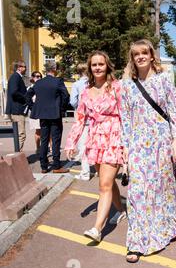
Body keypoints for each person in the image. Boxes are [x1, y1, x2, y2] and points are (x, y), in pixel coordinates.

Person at [121, 39, 176, 263]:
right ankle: (137, 241)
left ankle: (166, 227)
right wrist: (125, 150)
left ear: (152, 56)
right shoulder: (127, 86)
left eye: (144, 52)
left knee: (162, 189)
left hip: (162, 143)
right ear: (132, 59)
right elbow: (125, 120)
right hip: (138, 145)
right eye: (136, 54)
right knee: (137, 191)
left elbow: (173, 112)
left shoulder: (163, 81)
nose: (140, 56)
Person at [65, 51, 126, 242]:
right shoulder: (85, 92)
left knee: (104, 184)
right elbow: (80, 120)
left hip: (114, 136)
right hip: (95, 139)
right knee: (106, 181)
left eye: (101, 64)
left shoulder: (117, 88)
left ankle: (97, 229)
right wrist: (71, 142)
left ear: (107, 66)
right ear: (90, 68)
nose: (98, 67)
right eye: (94, 65)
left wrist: (127, 144)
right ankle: (122, 210)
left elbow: (127, 116)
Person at [26, 61, 70, 173]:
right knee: (55, 139)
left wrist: (33, 107)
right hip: (55, 114)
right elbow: (66, 95)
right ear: (55, 69)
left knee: (44, 139)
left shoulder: (39, 82)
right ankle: (56, 165)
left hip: (43, 114)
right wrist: (62, 109)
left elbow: (28, 95)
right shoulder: (58, 81)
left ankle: (44, 166)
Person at [69, 63, 90, 181]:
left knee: (83, 145)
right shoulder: (93, 83)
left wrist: (78, 107)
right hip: (95, 117)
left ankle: (85, 172)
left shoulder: (76, 84)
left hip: (82, 118)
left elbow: (73, 101)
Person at [5, 60, 27, 151]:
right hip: (16, 109)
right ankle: (18, 155)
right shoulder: (15, 77)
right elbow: (14, 92)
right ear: (19, 68)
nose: (26, 68)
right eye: (24, 66)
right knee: (21, 134)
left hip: (16, 109)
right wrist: (25, 98)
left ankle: (18, 154)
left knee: (19, 134)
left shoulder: (17, 77)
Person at [27, 71, 43, 154]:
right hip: (35, 112)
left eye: (40, 76)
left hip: (43, 111)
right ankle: (38, 148)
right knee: (38, 131)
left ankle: (51, 147)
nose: (39, 78)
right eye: (37, 76)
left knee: (48, 130)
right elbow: (27, 99)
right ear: (33, 78)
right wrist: (33, 107)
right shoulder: (31, 88)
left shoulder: (43, 87)